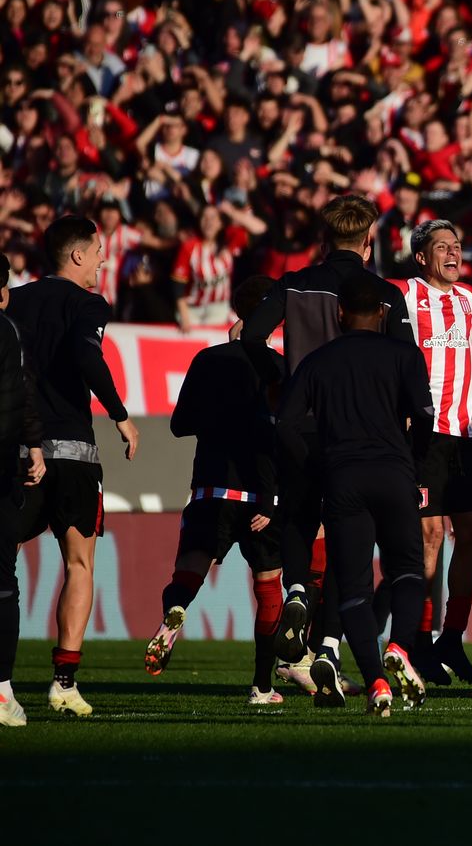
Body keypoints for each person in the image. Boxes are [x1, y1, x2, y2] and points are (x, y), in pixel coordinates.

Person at [240, 195, 413, 698]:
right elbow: (405, 363)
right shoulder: (381, 292)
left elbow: (251, 335)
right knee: (347, 541)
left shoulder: (292, 282)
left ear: (324, 238)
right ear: (368, 240)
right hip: (358, 434)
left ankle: (296, 591)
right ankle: (330, 645)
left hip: (298, 423)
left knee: (298, 516)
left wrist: (282, 376)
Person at [276, 271, 435, 718]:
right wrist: (415, 463)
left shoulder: (318, 361)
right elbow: (425, 416)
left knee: (354, 588)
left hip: (343, 480)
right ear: (383, 313)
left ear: (340, 313)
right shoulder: (405, 354)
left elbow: (285, 424)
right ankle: (400, 649)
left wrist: (314, 466)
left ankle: (376, 683)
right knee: (406, 572)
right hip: (394, 474)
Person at [10, 215, 139, 717]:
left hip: (20, 448)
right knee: (79, 563)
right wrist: (121, 416)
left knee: (4, 560)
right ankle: (63, 683)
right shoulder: (88, 304)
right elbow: (86, 357)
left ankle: (4, 678)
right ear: (77, 255)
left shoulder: (14, 302)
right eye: (99, 250)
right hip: (74, 452)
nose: (105, 259)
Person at [143, 276, 286, 705]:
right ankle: (263, 686)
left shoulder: (207, 359)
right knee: (268, 587)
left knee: (189, 568)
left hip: (210, 486)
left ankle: (177, 610)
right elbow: (282, 431)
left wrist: (218, 420)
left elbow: (179, 423)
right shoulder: (278, 366)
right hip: (259, 496)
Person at [389, 220, 472, 686]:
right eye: (441, 247)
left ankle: (452, 639)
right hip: (420, 435)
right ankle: (417, 643)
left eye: (457, 246)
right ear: (421, 257)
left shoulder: (466, 298)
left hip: (462, 436)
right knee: (428, 538)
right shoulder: (402, 293)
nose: (452, 252)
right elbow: (345, 299)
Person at [0, 251, 45, 728]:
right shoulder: (7, 331)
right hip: (1, 462)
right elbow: (20, 393)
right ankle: (2, 690)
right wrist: (34, 446)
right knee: (2, 579)